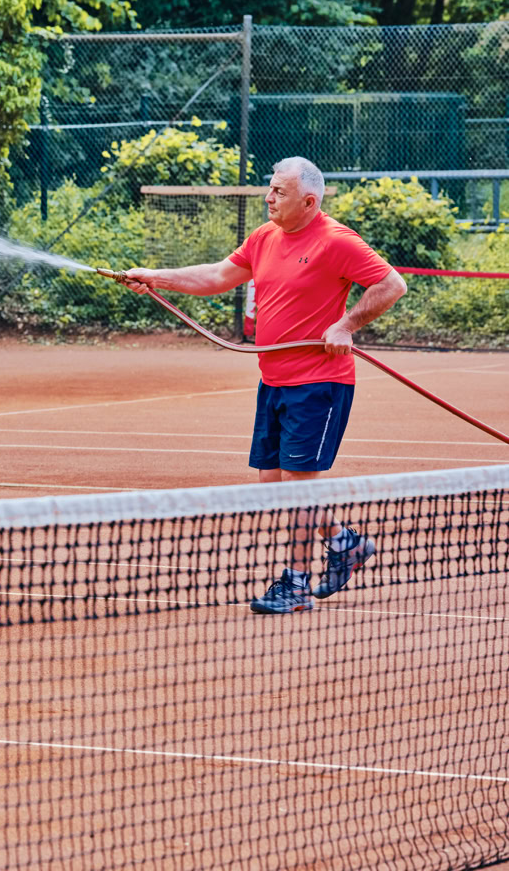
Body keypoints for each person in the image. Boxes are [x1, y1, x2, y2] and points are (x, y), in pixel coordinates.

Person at [119, 156, 409, 614]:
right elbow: (217, 276)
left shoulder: (336, 240)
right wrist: (155, 277)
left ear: (309, 202)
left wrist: (346, 325)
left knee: (298, 484)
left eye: (279, 192)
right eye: (270, 189)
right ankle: (345, 543)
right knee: (274, 485)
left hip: (319, 384)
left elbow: (392, 285)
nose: (268, 198)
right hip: (273, 380)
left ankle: (296, 584)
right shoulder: (264, 237)